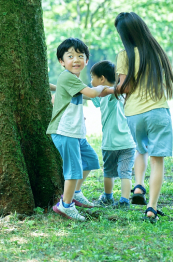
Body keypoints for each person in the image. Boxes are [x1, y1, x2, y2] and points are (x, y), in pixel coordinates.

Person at [111, 12, 173, 223]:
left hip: (134, 114)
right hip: (158, 111)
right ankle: (152, 207)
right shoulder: (155, 52)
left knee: (141, 149)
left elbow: (126, 86)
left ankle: (138, 185)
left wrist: (110, 89)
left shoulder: (125, 55)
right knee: (157, 161)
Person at [47, 38, 107, 222]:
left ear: (86, 61)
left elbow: (86, 95)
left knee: (90, 159)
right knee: (73, 170)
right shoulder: (67, 77)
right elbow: (90, 93)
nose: (76, 60)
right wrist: (103, 87)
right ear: (61, 61)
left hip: (75, 132)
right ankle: (65, 205)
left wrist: (108, 91)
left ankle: (76, 193)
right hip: (65, 132)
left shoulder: (73, 80)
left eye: (80, 56)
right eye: (70, 56)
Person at [89, 61, 136, 208]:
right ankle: (124, 200)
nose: (91, 81)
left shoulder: (110, 94)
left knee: (108, 172)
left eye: (92, 77)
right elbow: (87, 95)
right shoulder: (115, 94)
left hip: (110, 143)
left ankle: (108, 197)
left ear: (101, 79)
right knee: (125, 173)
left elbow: (109, 91)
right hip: (128, 143)